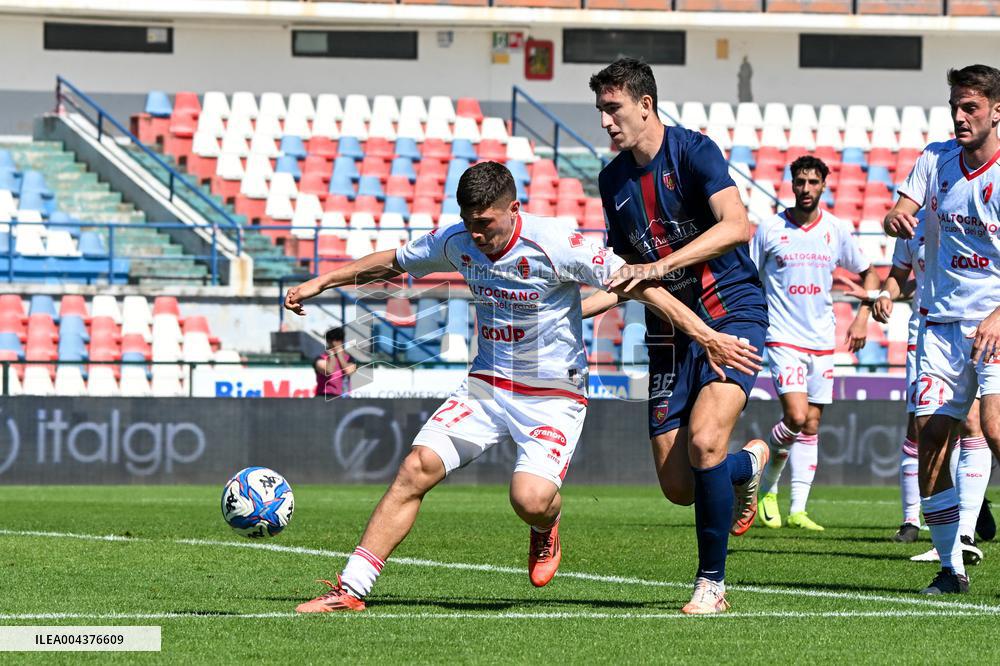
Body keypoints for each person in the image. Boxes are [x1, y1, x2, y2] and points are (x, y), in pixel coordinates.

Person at [284, 161, 762, 613]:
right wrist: (321, 282)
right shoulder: (457, 240)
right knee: (416, 467)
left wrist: (706, 335)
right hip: (487, 385)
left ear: (513, 209)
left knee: (529, 499)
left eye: (486, 223)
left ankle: (545, 522)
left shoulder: (556, 242)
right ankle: (350, 589)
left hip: (553, 394)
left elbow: (636, 285)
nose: (477, 235)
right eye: (469, 222)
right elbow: (394, 261)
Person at [584, 57, 770, 614]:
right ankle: (750, 465)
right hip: (667, 332)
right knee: (679, 486)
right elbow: (626, 278)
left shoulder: (694, 151)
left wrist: (661, 266)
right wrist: (566, 315)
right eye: (600, 111)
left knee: (705, 440)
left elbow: (738, 226)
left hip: (731, 311)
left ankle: (711, 585)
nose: (605, 122)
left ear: (645, 105)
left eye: (613, 109)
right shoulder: (612, 181)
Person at [883, 64, 1000, 594]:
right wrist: (896, 219)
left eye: (970, 107)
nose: (959, 116)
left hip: (994, 323)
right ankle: (951, 567)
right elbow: (899, 213)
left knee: (994, 430)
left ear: (996, 112)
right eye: (954, 105)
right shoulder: (935, 159)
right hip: (938, 325)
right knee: (930, 436)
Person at [750, 155, 881, 532]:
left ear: (824, 185)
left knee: (811, 425)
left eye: (813, 182)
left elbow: (869, 272)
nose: (806, 189)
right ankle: (767, 488)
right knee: (795, 416)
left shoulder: (835, 230)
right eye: (800, 182)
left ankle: (799, 509)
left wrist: (862, 314)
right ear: (791, 185)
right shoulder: (771, 229)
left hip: (822, 340)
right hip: (783, 337)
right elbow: (748, 276)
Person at [314, 327, 356, 398]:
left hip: (343, 397)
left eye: (337, 340)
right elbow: (329, 371)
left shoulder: (349, 358)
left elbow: (348, 371)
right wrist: (332, 356)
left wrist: (340, 355)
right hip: (323, 396)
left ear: (342, 341)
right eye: (331, 341)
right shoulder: (320, 358)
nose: (334, 343)